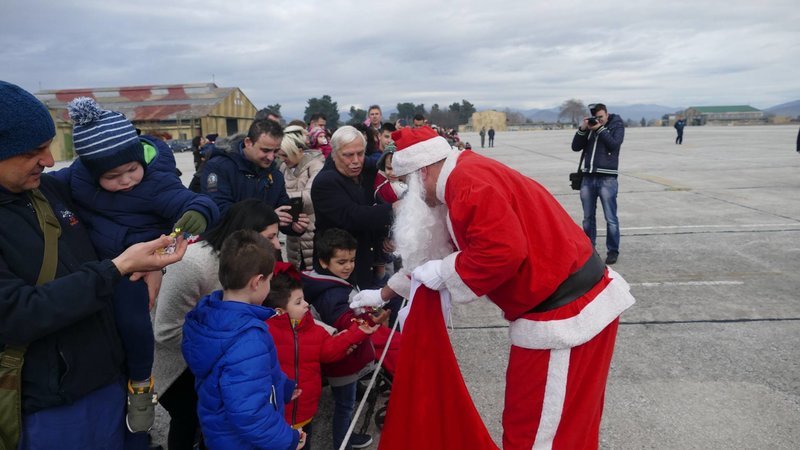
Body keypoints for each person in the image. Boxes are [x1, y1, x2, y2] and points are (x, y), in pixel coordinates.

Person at [351, 126, 635, 450]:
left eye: (408, 183)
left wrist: (444, 271)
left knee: (537, 434)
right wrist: (384, 293)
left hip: (565, 316)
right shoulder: (459, 178)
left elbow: (502, 252)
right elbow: (437, 254)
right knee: (561, 427)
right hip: (565, 306)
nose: (410, 194)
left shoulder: (468, 183)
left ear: (423, 171)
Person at [0, 80, 187, 449]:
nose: (49, 160)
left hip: (110, 380)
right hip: (49, 408)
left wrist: (151, 263)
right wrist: (116, 269)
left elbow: (126, 211)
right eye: (33, 151)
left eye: (49, 146)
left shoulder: (49, 190)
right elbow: (16, 313)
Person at [49, 97, 219, 433]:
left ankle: (141, 383)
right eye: (113, 176)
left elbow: (194, 200)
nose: (127, 180)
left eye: (132, 169)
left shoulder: (155, 182)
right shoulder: (78, 177)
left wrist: (198, 214)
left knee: (134, 322)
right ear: (91, 172)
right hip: (95, 261)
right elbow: (47, 183)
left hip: (136, 267)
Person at [152, 199, 281, 449]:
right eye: (270, 237)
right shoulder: (194, 265)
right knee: (188, 419)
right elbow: (165, 332)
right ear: (247, 235)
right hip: (175, 363)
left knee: (212, 420)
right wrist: (223, 348)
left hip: (209, 355)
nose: (276, 245)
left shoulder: (244, 264)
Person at [182, 230, 306, 450]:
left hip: (219, 434)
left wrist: (282, 386)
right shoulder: (248, 339)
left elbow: (245, 381)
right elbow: (251, 414)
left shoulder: (209, 315)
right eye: (269, 280)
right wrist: (288, 439)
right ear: (257, 282)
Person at [265, 263, 378, 450]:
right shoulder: (265, 333)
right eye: (298, 302)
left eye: (304, 299)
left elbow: (330, 350)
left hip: (306, 412)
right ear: (280, 311)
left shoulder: (312, 328)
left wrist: (356, 333)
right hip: (278, 417)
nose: (306, 304)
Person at [302, 228, 390, 450]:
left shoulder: (325, 282)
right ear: (324, 262)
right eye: (341, 262)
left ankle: (346, 438)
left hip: (340, 355)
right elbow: (344, 320)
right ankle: (343, 443)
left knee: (345, 403)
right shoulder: (333, 293)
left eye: (351, 260)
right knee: (345, 406)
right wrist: (370, 319)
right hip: (343, 360)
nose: (348, 266)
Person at [310, 125, 395, 289]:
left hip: (367, 263)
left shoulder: (364, 167)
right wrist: (394, 208)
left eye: (360, 153)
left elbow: (386, 163)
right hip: (338, 271)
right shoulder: (325, 182)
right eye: (348, 155)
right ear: (334, 154)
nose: (356, 160)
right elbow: (354, 216)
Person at [200, 118, 310, 235]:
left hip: (264, 244)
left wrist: (293, 226)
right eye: (265, 150)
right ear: (248, 142)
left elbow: (282, 209)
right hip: (230, 243)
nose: (271, 157)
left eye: (275, 151)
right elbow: (219, 211)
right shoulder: (218, 168)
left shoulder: (275, 174)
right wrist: (268, 217)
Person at [571, 103, 625, 265]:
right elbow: (575, 147)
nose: (598, 120)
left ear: (607, 115)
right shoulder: (590, 128)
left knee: (610, 217)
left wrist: (599, 129)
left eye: (601, 117)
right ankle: (590, 250)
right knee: (588, 218)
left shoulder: (616, 125)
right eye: (596, 117)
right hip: (588, 177)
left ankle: (613, 250)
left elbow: (614, 144)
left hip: (607, 178)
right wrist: (583, 129)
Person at [278, 126, 325, 269]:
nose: (282, 159)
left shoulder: (316, 165)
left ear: (299, 151)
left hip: (313, 230)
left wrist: (280, 199)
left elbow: (311, 195)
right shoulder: (283, 168)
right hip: (292, 232)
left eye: (286, 155)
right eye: (280, 155)